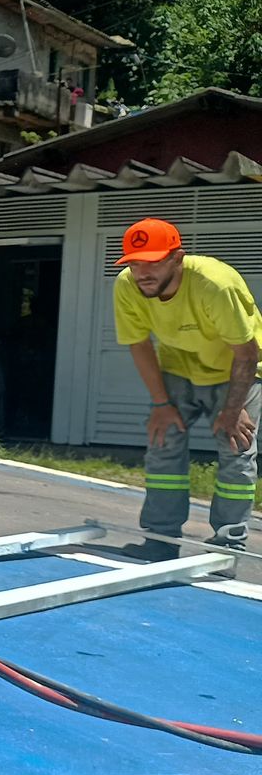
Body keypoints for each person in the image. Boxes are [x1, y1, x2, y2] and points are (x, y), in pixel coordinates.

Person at [113, 216, 260, 559]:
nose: (142, 272)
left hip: (236, 370)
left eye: (153, 262)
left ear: (177, 258)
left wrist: (232, 407)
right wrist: (161, 404)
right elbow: (139, 344)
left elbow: (246, 350)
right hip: (179, 367)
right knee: (163, 443)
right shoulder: (126, 287)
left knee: (236, 450)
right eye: (134, 263)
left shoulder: (214, 284)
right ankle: (160, 542)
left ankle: (227, 548)